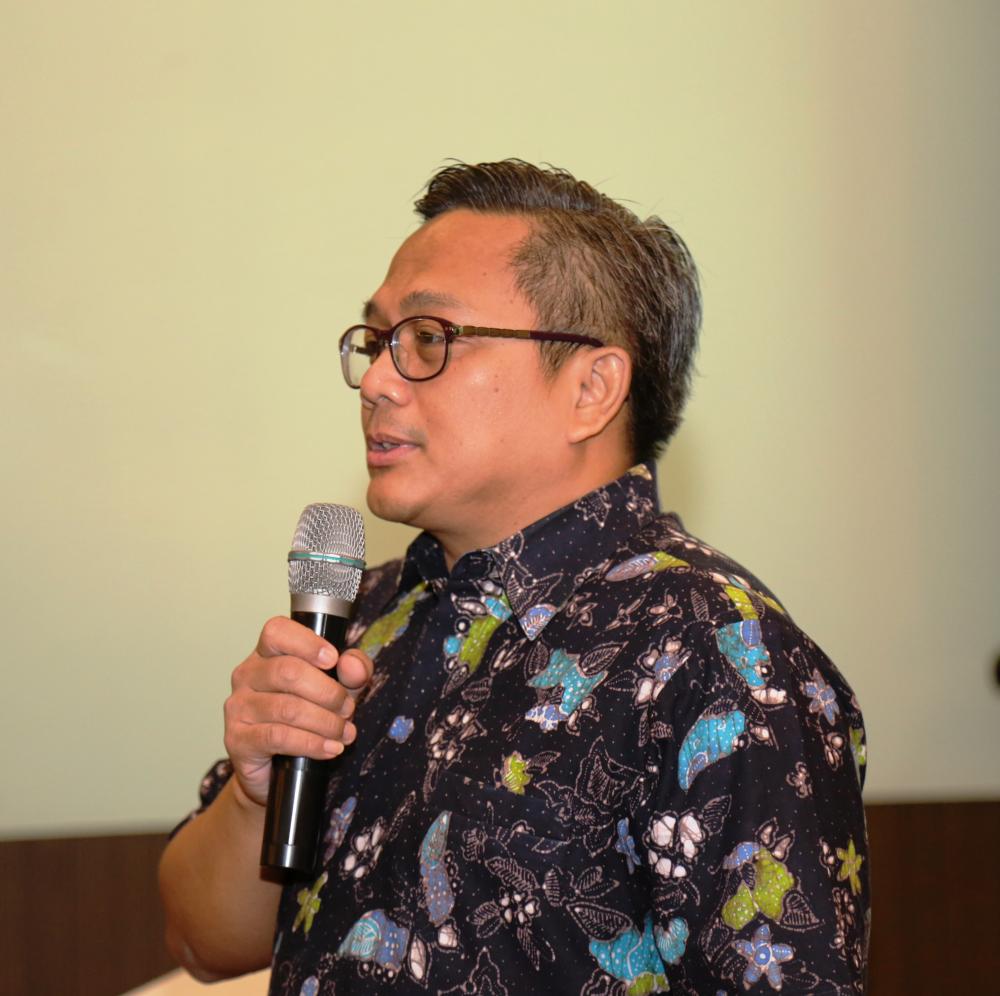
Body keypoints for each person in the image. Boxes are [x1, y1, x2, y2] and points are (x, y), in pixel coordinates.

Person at [159, 160, 869, 994]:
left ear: (591, 388)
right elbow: (204, 945)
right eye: (377, 342)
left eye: (429, 338)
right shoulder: (369, 615)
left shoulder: (717, 654)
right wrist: (255, 795)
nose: (378, 381)